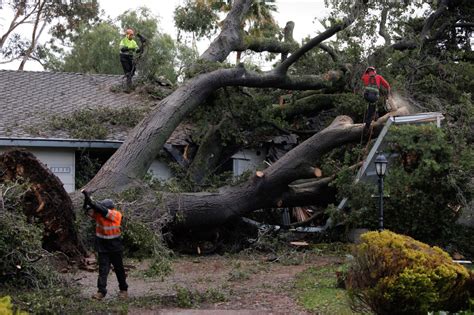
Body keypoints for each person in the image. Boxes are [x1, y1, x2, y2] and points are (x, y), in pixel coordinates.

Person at [82, 190, 128, 300]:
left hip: (115, 246)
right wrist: (86, 198)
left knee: (119, 269)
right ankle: (101, 292)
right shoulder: (98, 215)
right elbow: (86, 209)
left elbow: (99, 208)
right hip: (103, 247)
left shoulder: (115, 214)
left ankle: (123, 290)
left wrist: (90, 199)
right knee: (103, 270)